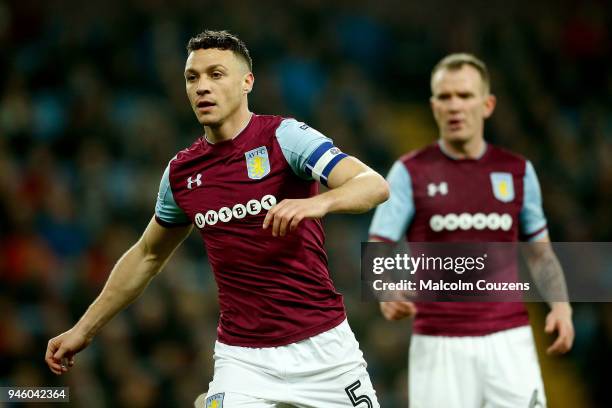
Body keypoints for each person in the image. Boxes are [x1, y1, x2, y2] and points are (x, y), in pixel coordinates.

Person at [45, 30, 388, 408]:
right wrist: (84, 329)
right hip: (242, 358)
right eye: (193, 78)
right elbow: (147, 255)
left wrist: (317, 204)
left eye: (216, 74)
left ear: (246, 82)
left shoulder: (284, 138)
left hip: (324, 350)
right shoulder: (182, 173)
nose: (202, 87)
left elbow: (372, 184)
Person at [368, 53, 574, 408]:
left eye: (464, 95)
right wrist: (385, 289)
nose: (454, 106)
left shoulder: (518, 171)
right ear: (433, 106)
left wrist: (561, 306)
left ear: (487, 103)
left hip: (509, 341)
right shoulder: (408, 172)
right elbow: (378, 247)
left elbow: (541, 253)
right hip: (438, 344)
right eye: (445, 97)